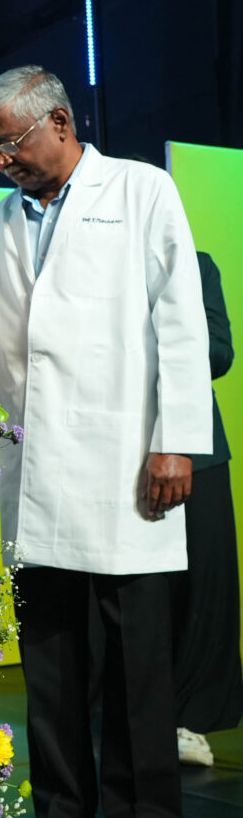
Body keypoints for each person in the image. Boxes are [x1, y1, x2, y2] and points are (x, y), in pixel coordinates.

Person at [0, 66, 211, 818]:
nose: (2, 161)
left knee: (137, 657)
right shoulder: (4, 217)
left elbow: (179, 327)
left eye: (11, 143)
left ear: (59, 121)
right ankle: (63, 804)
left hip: (125, 464)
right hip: (37, 470)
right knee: (53, 656)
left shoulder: (139, 192)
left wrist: (175, 441)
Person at [173, 251, 243, 765]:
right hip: (113, 447)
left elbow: (221, 352)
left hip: (197, 448)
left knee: (204, 583)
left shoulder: (196, 265)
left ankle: (190, 720)